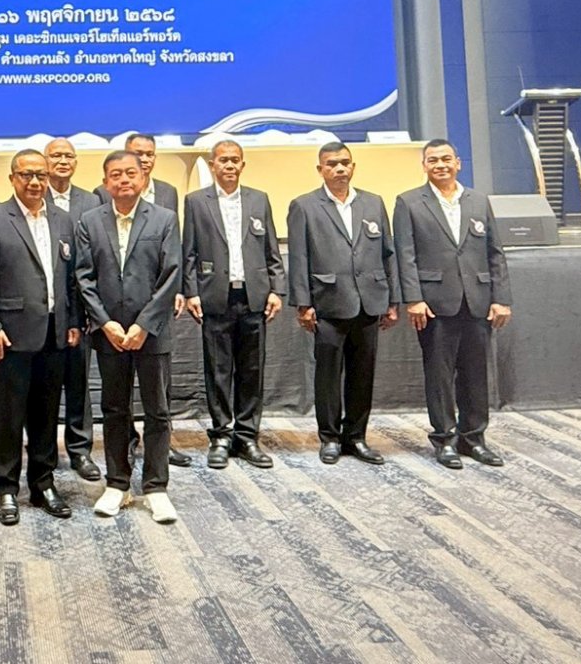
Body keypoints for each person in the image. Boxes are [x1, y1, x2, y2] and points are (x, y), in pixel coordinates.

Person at [0, 150, 81, 525]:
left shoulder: (63, 220)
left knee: (46, 414)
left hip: (54, 332)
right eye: (26, 175)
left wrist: (73, 320)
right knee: (7, 414)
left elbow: (70, 278)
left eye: (41, 175)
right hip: (9, 335)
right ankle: (6, 487)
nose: (35, 182)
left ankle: (43, 483)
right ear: (12, 178)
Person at [75, 151, 181, 524]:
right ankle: (117, 483)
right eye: (116, 174)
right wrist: (105, 323)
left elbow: (171, 275)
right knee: (115, 409)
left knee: (157, 411)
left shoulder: (165, 218)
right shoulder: (90, 221)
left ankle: (156, 487)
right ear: (105, 182)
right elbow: (84, 277)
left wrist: (143, 324)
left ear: (143, 177)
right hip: (111, 334)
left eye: (130, 173)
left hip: (151, 333)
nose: (124, 180)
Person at [393, 139, 513, 469]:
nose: (440, 165)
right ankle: (444, 439)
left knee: (476, 375)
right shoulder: (408, 202)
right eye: (433, 160)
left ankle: (473, 438)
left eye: (446, 159)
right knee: (440, 375)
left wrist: (501, 298)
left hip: (478, 302)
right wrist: (414, 298)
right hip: (434, 304)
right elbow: (405, 256)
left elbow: (495, 253)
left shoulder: (478, 200)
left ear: (458, 163)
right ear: (424, 166)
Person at [286, 142, 398, 466]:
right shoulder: (304, 206)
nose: (339, 169)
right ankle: (330, 438)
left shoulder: (373, 203)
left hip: (369, 301)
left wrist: (392, 300)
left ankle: (356, 436)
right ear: (320, 169)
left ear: (353, 167)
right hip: (328, 303)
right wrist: (303, 303)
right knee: (328, 375)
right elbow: (299, 257)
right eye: (332, 164)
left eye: (345, 163)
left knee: (363, 374)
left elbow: (387, 253)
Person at [182, 140, 285, 469]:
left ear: (243, 165)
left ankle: (247, 436)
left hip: (254, 297)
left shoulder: (259, 199)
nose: (229, 165)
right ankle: (221, 436)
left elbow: (271, 250)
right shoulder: (196, 201)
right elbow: (189, 252)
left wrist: (277, 290)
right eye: (223, 160)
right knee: (218, 370)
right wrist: (191, 291)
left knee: (252, 371)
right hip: (215, 297)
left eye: (235, 160)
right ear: (213, 165)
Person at [44, 137, 103, 482]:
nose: (62, 161)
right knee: (45, 384)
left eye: (68, 156)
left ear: (76, 162)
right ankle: (45, 451)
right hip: (45, 311)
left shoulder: (91, 201)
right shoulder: (33, 196)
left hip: (81, 308)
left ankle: (80, 450)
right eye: (56, 156)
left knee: (79, 382)